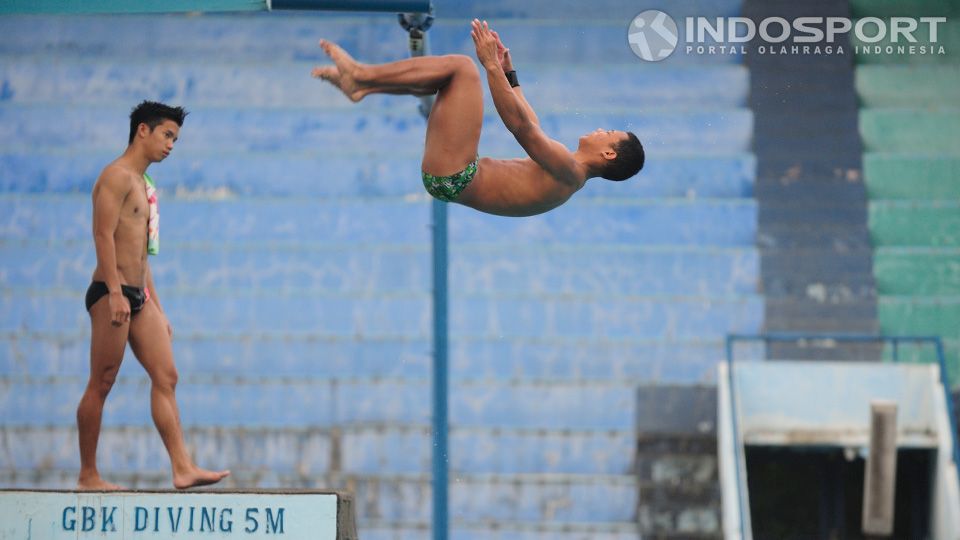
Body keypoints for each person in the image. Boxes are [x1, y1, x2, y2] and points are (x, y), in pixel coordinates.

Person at [311, 19, 644, 217]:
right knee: (446, 81)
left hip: (457, 174)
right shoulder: (566, 170)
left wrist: (489, 64)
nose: (601, 129)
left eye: (609, 132)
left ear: (609, 153)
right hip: (453, 177)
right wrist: (509, 74)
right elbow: (531, 122)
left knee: (462, 68)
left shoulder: (571, 173)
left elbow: (520, 127)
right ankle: (363, 88)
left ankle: (360, 75)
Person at [77, 100, 230, 490]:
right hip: (110, 293)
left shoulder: (145, 186)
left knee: (167, 375)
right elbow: (102, 236)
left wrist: (157, 309)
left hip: (138, 294)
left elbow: (142, 257)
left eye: (175, 139)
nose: (171, 145)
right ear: (142, 130)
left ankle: (182, 467)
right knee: (103, 381)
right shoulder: (116, 176)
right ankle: (88, 475)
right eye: (167, 135)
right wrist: (114, 293)